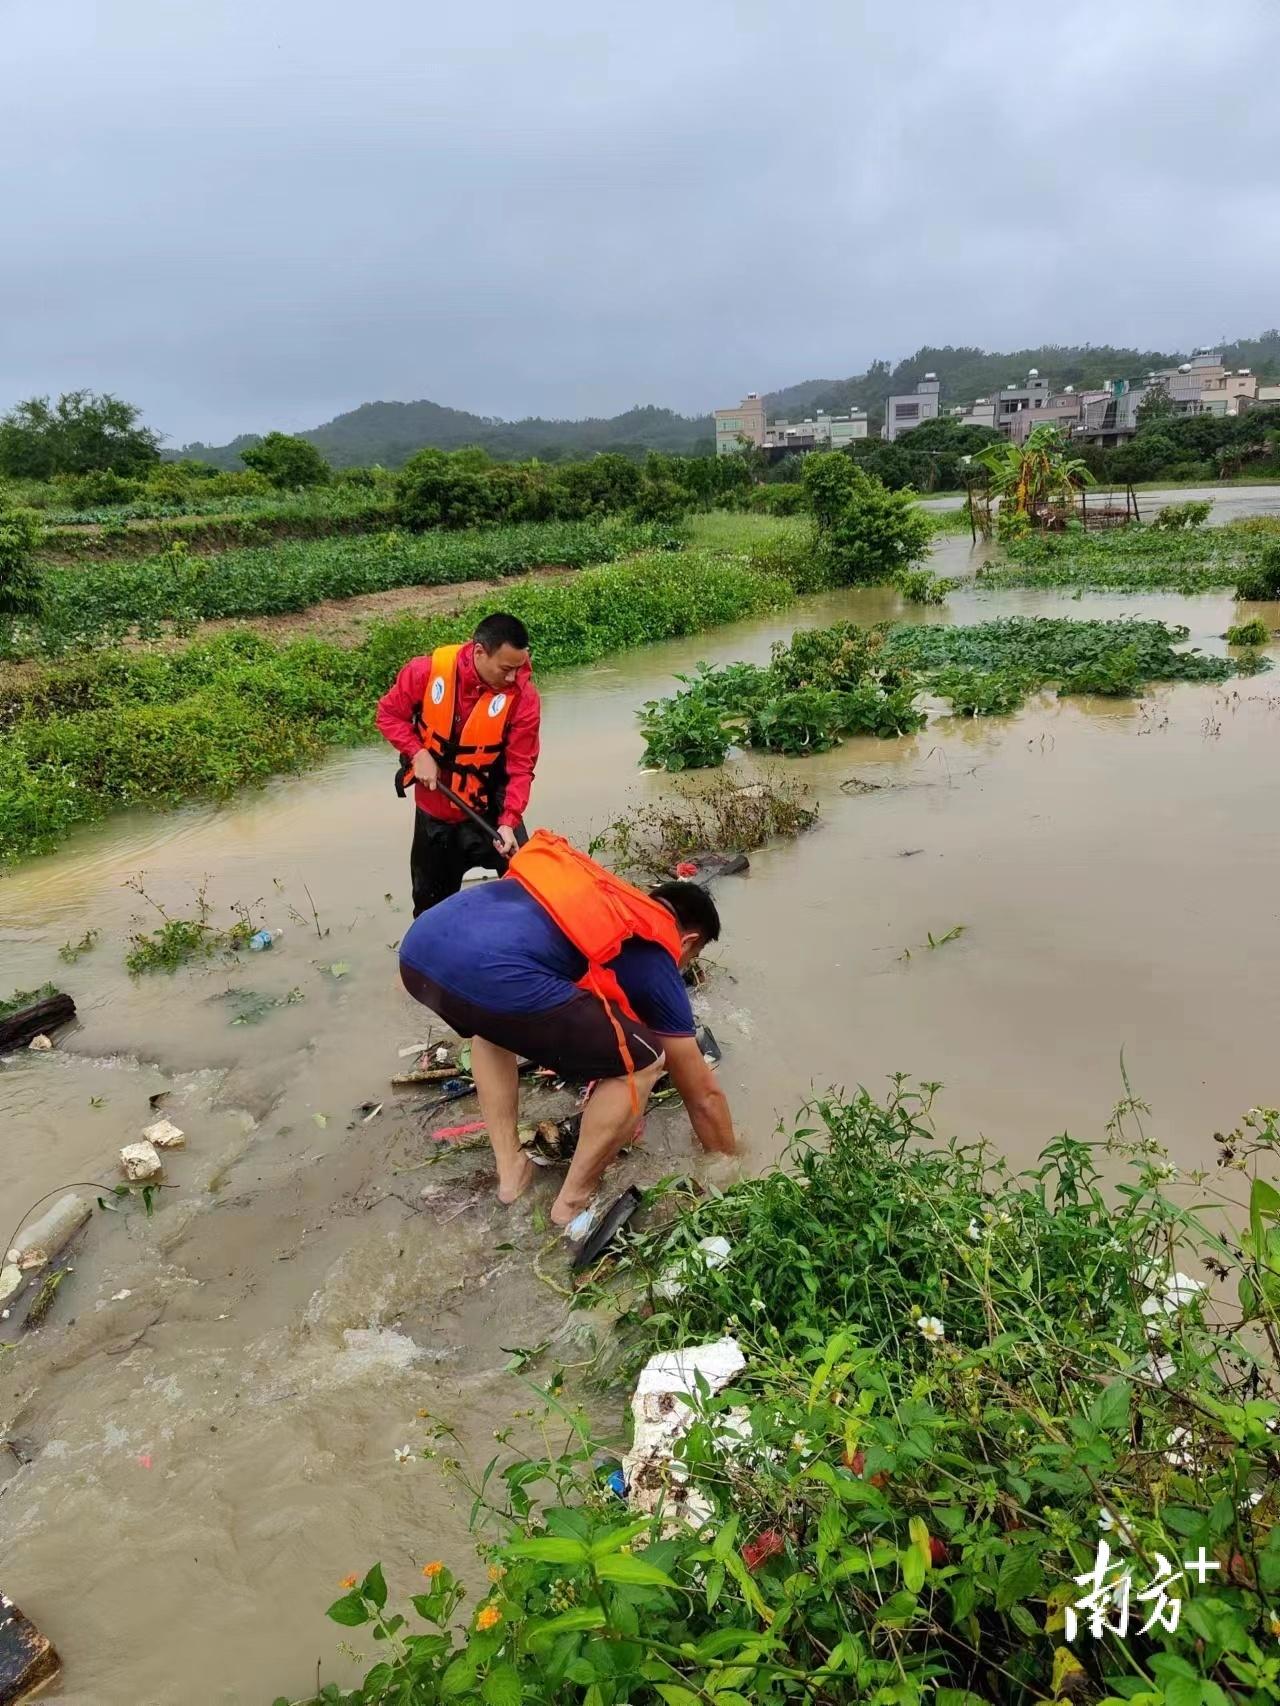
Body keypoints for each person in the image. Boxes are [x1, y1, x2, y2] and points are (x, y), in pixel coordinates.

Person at [398, 829, 736, 1229]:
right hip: (488, 972)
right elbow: (703, 1097)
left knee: (492, 1025)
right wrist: (731, 1165)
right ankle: (571, 1204)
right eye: (692, 956)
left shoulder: (598, 893)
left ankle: (512, 1173)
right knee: (644, 1060)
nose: (684, 966)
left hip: (419, 953)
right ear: (688, 940)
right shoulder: (651, 944)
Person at [375, 612, 541, 916]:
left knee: (529, 896)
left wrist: (509, 821)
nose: (512, 678)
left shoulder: (523, 697)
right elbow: (388, 715)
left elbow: (521, 766)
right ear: (479, 652)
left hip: (491, 811)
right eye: (506, 668)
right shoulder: (424, 672)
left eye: (518, 668)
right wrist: (417, 752)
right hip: (435, 813)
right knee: (430, 911)